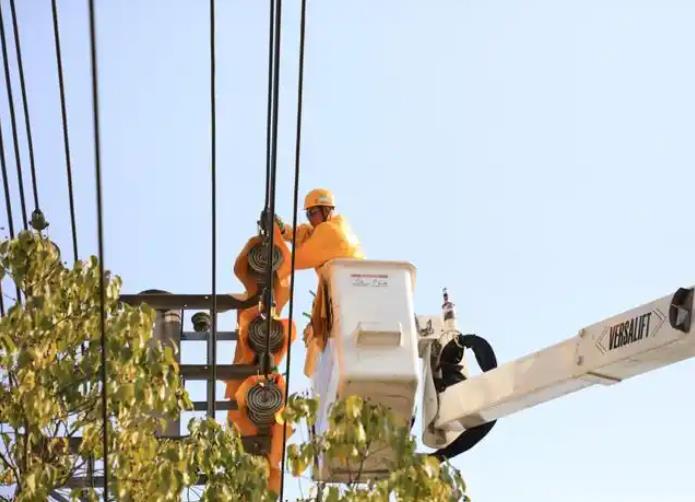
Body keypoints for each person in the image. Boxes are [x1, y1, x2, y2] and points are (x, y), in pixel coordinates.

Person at [275, 188, 364, 270]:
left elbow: (304, 256)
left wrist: (278, 265)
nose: (309, 218)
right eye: (308, 214)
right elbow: (301, 235)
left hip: (349, 280)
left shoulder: (329, 230)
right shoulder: (334, 227)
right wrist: (282, 229)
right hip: (343, 281)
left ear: (326, 211)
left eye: (313, 212)